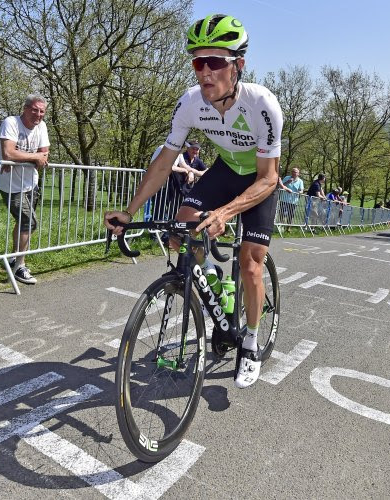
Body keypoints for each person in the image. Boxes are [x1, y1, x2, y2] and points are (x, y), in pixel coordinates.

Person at [105, 13, 283, 388]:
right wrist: (129, 210)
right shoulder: (190, 103)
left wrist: (225, 212)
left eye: (215, 62)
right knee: (180, 229)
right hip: (225, 170)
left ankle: (249, 342)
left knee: (251, 263)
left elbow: (268, 178)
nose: (205, 72)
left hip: (258, 180)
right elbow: (163, 164)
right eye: (198, 62)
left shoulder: (261, 104)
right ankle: (215, 285)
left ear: (238, 66)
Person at [0, 94, 50, 285]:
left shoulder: (42, 126)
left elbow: (44, 156)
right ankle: (20, 266)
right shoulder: (11, 122)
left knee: (22, 223)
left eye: (42, 111)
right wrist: (34, 157)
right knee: (29, 222)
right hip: (11, 184)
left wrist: (27, 158)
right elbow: (8, 152)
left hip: (31, 184)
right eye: (35, 109)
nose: (38, 114)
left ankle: (13, 257)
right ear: (26, 108)